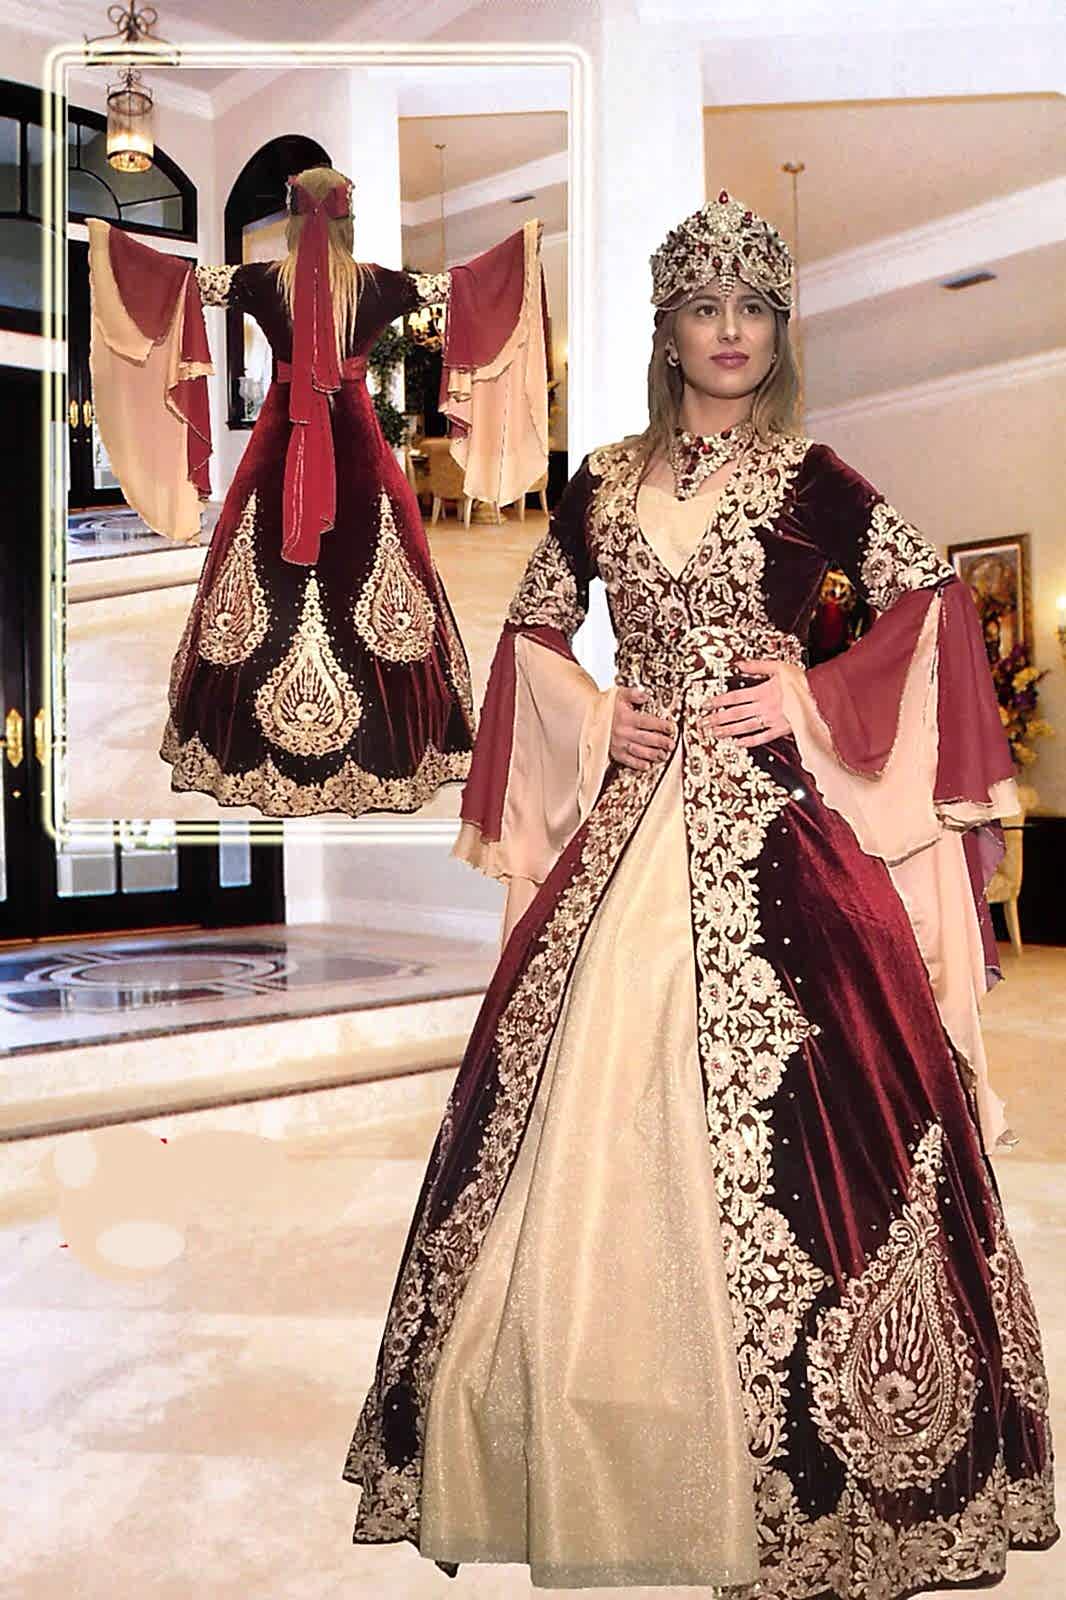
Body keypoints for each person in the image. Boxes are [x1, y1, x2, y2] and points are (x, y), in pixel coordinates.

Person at [341, 191, 1057, 1596]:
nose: (729, 331)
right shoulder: (603, 481)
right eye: (703, 308)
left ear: (777, 332)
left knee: (827, 1135)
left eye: (752, 309)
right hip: (623, 841)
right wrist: (594, 712)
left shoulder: (812, 475)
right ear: (667, 330)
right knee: (562, 1116)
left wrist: (809, 695)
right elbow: (531, 628)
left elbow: (929, 607)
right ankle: (596, 1438)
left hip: (785, 841)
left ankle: (802, 1472)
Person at [88, 165, 549, 817]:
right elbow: (459, 286)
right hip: (358, 440)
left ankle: (247, 738)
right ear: (347, 221)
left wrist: (110, 244)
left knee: (263, 571)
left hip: (279, 440)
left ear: (290, 219)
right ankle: (387, 742)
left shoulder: (260, 282)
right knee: (375, 562)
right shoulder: (378, 285)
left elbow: (184, 283)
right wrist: (520, 249)